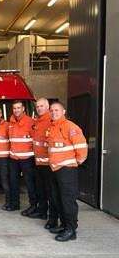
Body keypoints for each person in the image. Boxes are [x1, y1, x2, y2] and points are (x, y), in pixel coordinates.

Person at [47, 102, 87, 242]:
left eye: (56, 110)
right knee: (57, 199)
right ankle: (64, 225)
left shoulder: (70, 127)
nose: (54, 112)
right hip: (55, 169)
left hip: (67, 170)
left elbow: (82, 148)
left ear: (63, 111)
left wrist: (76, 162)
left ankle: (71, 230)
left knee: (68, 200)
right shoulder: (52, 127)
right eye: (51, 110)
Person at [7, 100, 37, 214]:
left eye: (18, 108)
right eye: (14, 108)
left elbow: (35, 139)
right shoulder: (10, 122)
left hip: (27, 159)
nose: (16, 110)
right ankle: (15, 204)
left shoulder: (30, 122)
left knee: (30, 183)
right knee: (13, 182)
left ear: (23, 109)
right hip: (13, 158)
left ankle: (33, 205)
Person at [30, 98, 52, 221]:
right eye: (37, 106)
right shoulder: (38, 121)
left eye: (42, 106)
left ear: (47, 107)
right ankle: (42, 212)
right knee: (40, 189)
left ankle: (51, 217)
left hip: (48, 164)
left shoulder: (50, 120)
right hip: (38, 161)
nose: (39, 108)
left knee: (50, 191)